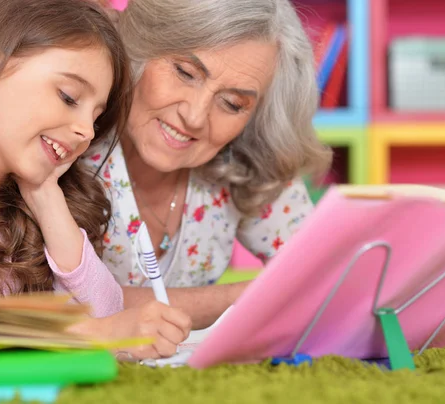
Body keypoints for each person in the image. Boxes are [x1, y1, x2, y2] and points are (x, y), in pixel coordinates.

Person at [0, 0, 191, 360]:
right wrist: (95, 336)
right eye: (69, 97)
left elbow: (108, 316)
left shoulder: (20, 207)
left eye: (95, 118)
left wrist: (45, 196)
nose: (85, 131)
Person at [84, 0, 333, 330]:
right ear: (138, 47)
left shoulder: (241, 159)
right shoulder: (69, 144)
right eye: (185, 73)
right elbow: (60, 303)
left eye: (232, 104)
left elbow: (326, 279)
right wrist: (247, 298)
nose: (195, 116)